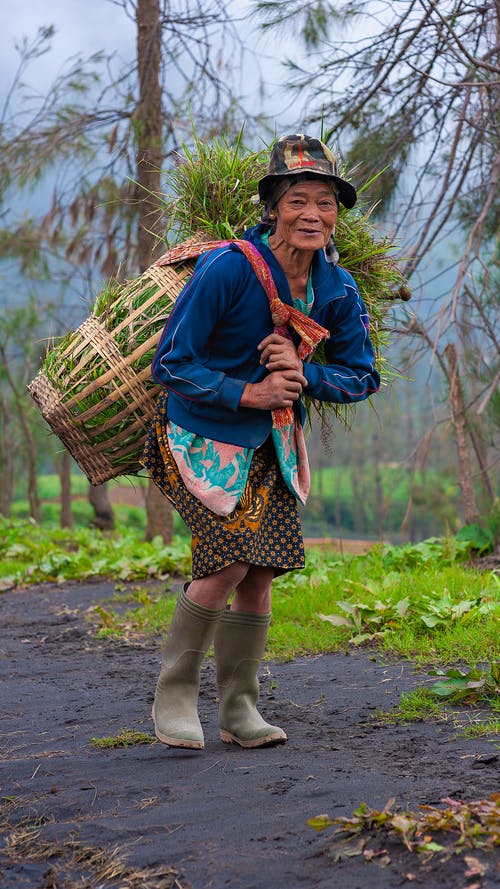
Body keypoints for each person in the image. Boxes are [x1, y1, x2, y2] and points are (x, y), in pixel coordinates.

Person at [142, 133, 380, 750]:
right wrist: (248, 394)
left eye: (326, 203)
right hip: (197, 435)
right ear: (273, 205)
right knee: (227, 562)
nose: (313, 215)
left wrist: (304, 378)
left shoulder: (337, 289)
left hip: (270, 445)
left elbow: (361, 375)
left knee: (260, 574)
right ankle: (174, 698)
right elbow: (171, 362)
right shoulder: (229, 268)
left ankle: (239, 710)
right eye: (299, 199)